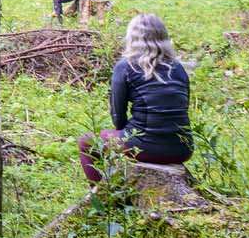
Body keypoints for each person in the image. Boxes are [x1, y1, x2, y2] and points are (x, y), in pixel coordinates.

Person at [77, 13, 192, 185]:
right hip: (183, 148)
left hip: (145, 146)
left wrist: (126, 137)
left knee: (86, 142)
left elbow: (117, 114)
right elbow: (182, 107)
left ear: (132, 37)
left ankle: (100, 195)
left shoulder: (126, 66)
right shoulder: (178, 68)